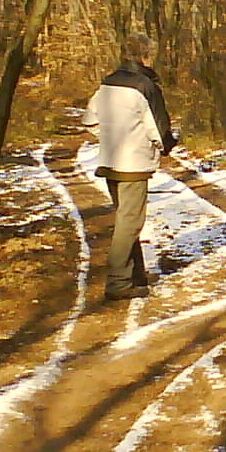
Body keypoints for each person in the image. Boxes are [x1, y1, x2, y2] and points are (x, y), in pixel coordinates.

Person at [83, 33, 177, 301]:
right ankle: (118, 283)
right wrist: (164, 146)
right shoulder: (145, 86)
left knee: (126, 220)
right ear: (145, 55)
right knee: (130, 223)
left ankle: (135, 276)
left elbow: (89, 121)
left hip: (110, 160)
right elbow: (159, 130)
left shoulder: (108, 83)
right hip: (133, 163)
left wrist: (110, 137)